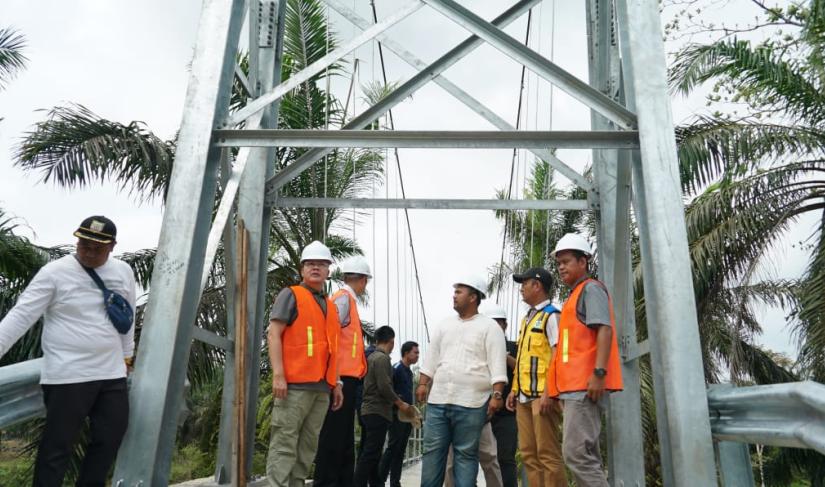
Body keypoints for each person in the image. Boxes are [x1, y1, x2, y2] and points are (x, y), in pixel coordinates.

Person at [0, 216, 136, 487]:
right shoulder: (55, 273)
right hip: (67, 375)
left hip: (110, 373)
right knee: (57, 448)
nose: (88, 252)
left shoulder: (123, 272)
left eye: (97, 248)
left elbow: (126, 316)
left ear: (112, 247)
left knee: (110, 437)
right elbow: (21, 316)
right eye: (84, 245)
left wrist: (126, 356)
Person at [545, 233, 623, 487]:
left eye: (566, 261)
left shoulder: (591, 289)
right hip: (574, 388)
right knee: (586, 456)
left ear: (583, 262)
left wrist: (599, 373)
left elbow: (605, 329)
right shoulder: (576, 294)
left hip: (585, 385)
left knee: (576, 454)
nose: (561, 268)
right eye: (558, 264)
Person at [266, 240, 344, 487]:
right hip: (294, 386)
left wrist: (337, 383)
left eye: (321, 264)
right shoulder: (291, 295)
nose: (316, 268)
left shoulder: (331, 308)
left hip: (321, 389)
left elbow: (333, 349)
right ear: (302, 269)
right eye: (310, 263)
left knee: (307, 448)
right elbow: (273, 334)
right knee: (284, 444)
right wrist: (278, 375)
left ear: (328, 270)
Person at [416, 275, 507, 487]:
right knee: (432, 454)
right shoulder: (444, 325)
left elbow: (497, 366)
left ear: (473, 297)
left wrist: (496, 395)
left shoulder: (490, 327)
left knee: (466, 456)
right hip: (438, 401)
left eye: (459, 292)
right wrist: (422, 383)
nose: (454, 295)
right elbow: (431, 358)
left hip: (472, 404)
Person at [313, 256, 371, 487]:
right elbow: (328, 334)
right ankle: (326, 483)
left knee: (345, 440)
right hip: (340, 379)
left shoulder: (347, 300)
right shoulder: (344, 300)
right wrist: (334, 377)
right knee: (334, 438)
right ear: (364, 281)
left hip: (348, 380)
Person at [505, 268, 566, 487]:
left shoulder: (552, 316)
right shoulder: (527, 319)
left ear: (537, 286)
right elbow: (523, 358)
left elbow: (559, 356)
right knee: (529, 454)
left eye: (524, 284)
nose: (521, 289)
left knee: (547, 454)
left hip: (542, 396)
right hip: (523, 397)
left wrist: (550, 392)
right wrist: (513, 390)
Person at [354, 326, 412, 487]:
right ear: (391, 341)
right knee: (370, 454)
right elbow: (384, 386)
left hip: (369, 410)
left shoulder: (372, 356)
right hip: (377, 412)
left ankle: (376, 484)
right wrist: (400, 403)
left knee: (373, 453)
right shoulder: (382, 359)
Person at [379, 340, 420, 487]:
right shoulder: (396, 368)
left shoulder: (408, 372)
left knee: (401, 449)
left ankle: (395, 482)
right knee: (392, 447)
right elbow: (387, 389)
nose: (418, 355)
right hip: (396, 414)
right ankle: (380, 480)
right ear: (406, 353)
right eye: (415, 352)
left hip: (407, 416)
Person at [485, 305, 519, 487]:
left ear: (505, 325)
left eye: (498, 323)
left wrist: (504, 356)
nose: (494, 327)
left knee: (506, 457)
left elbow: (523, 369)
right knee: (471, 457)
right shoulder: (481, 347)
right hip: (481, 410)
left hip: (507, 413)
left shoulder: (515, 347)